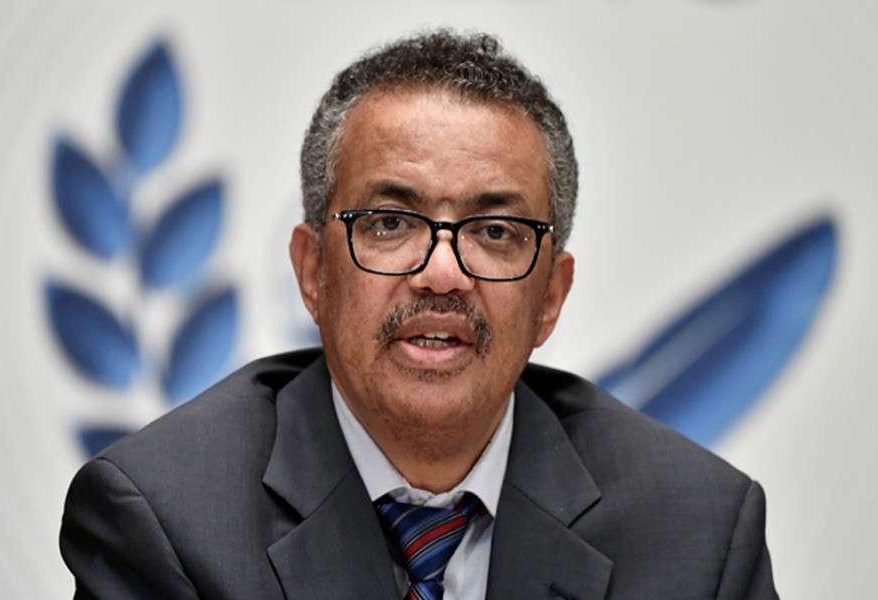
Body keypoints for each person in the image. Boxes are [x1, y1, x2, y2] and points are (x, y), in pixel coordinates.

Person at [60, 30, 778, 599]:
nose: (442, 272)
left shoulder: (699, 532)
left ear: (551, 297)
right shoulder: (164, 519)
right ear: (313, 273)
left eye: (494, 233)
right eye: (389, 223)